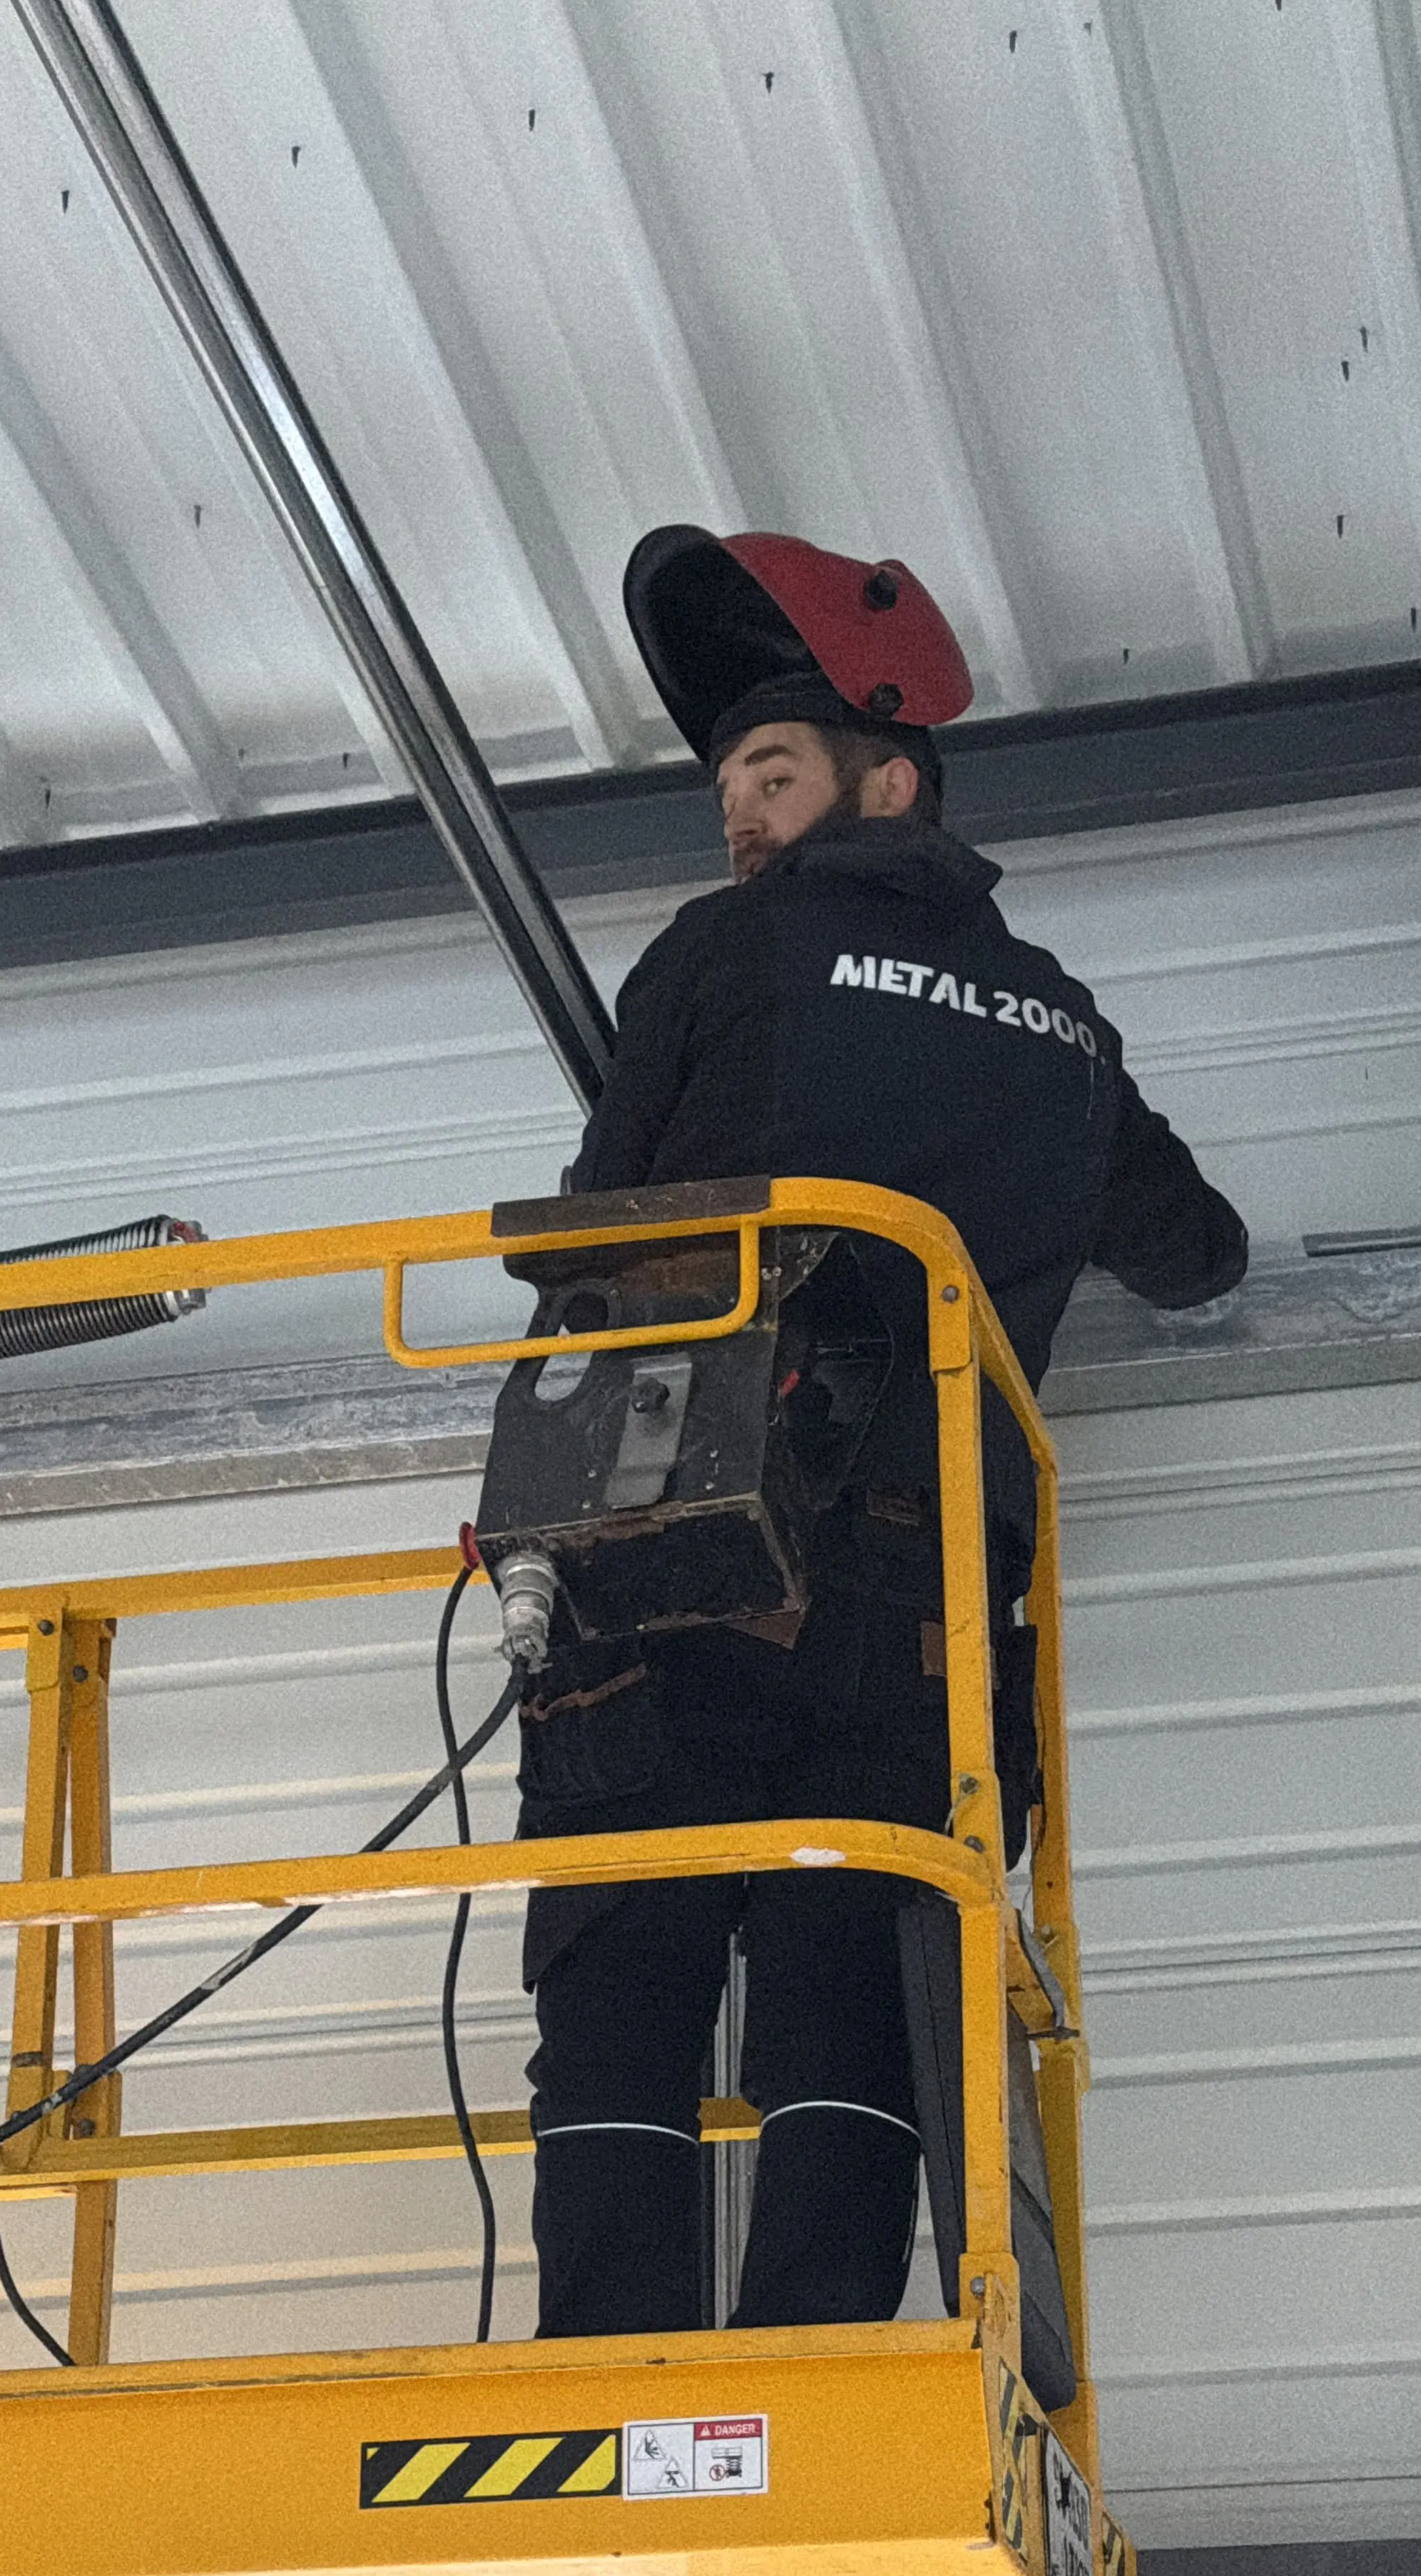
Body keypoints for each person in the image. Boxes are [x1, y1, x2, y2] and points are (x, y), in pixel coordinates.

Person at [516, 526, 1248, 2340]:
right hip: (924, 1618)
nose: (738, 817)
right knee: (855, 1975)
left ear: (888, 776)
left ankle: (613, 2375)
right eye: (727, 793)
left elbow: (601, 1233)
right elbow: (1200, 1253)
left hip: (671, 1563)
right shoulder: (1068, 1029)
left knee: (629, 1966)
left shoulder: (722, 952)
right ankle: (819, 2365)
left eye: (768, 773)